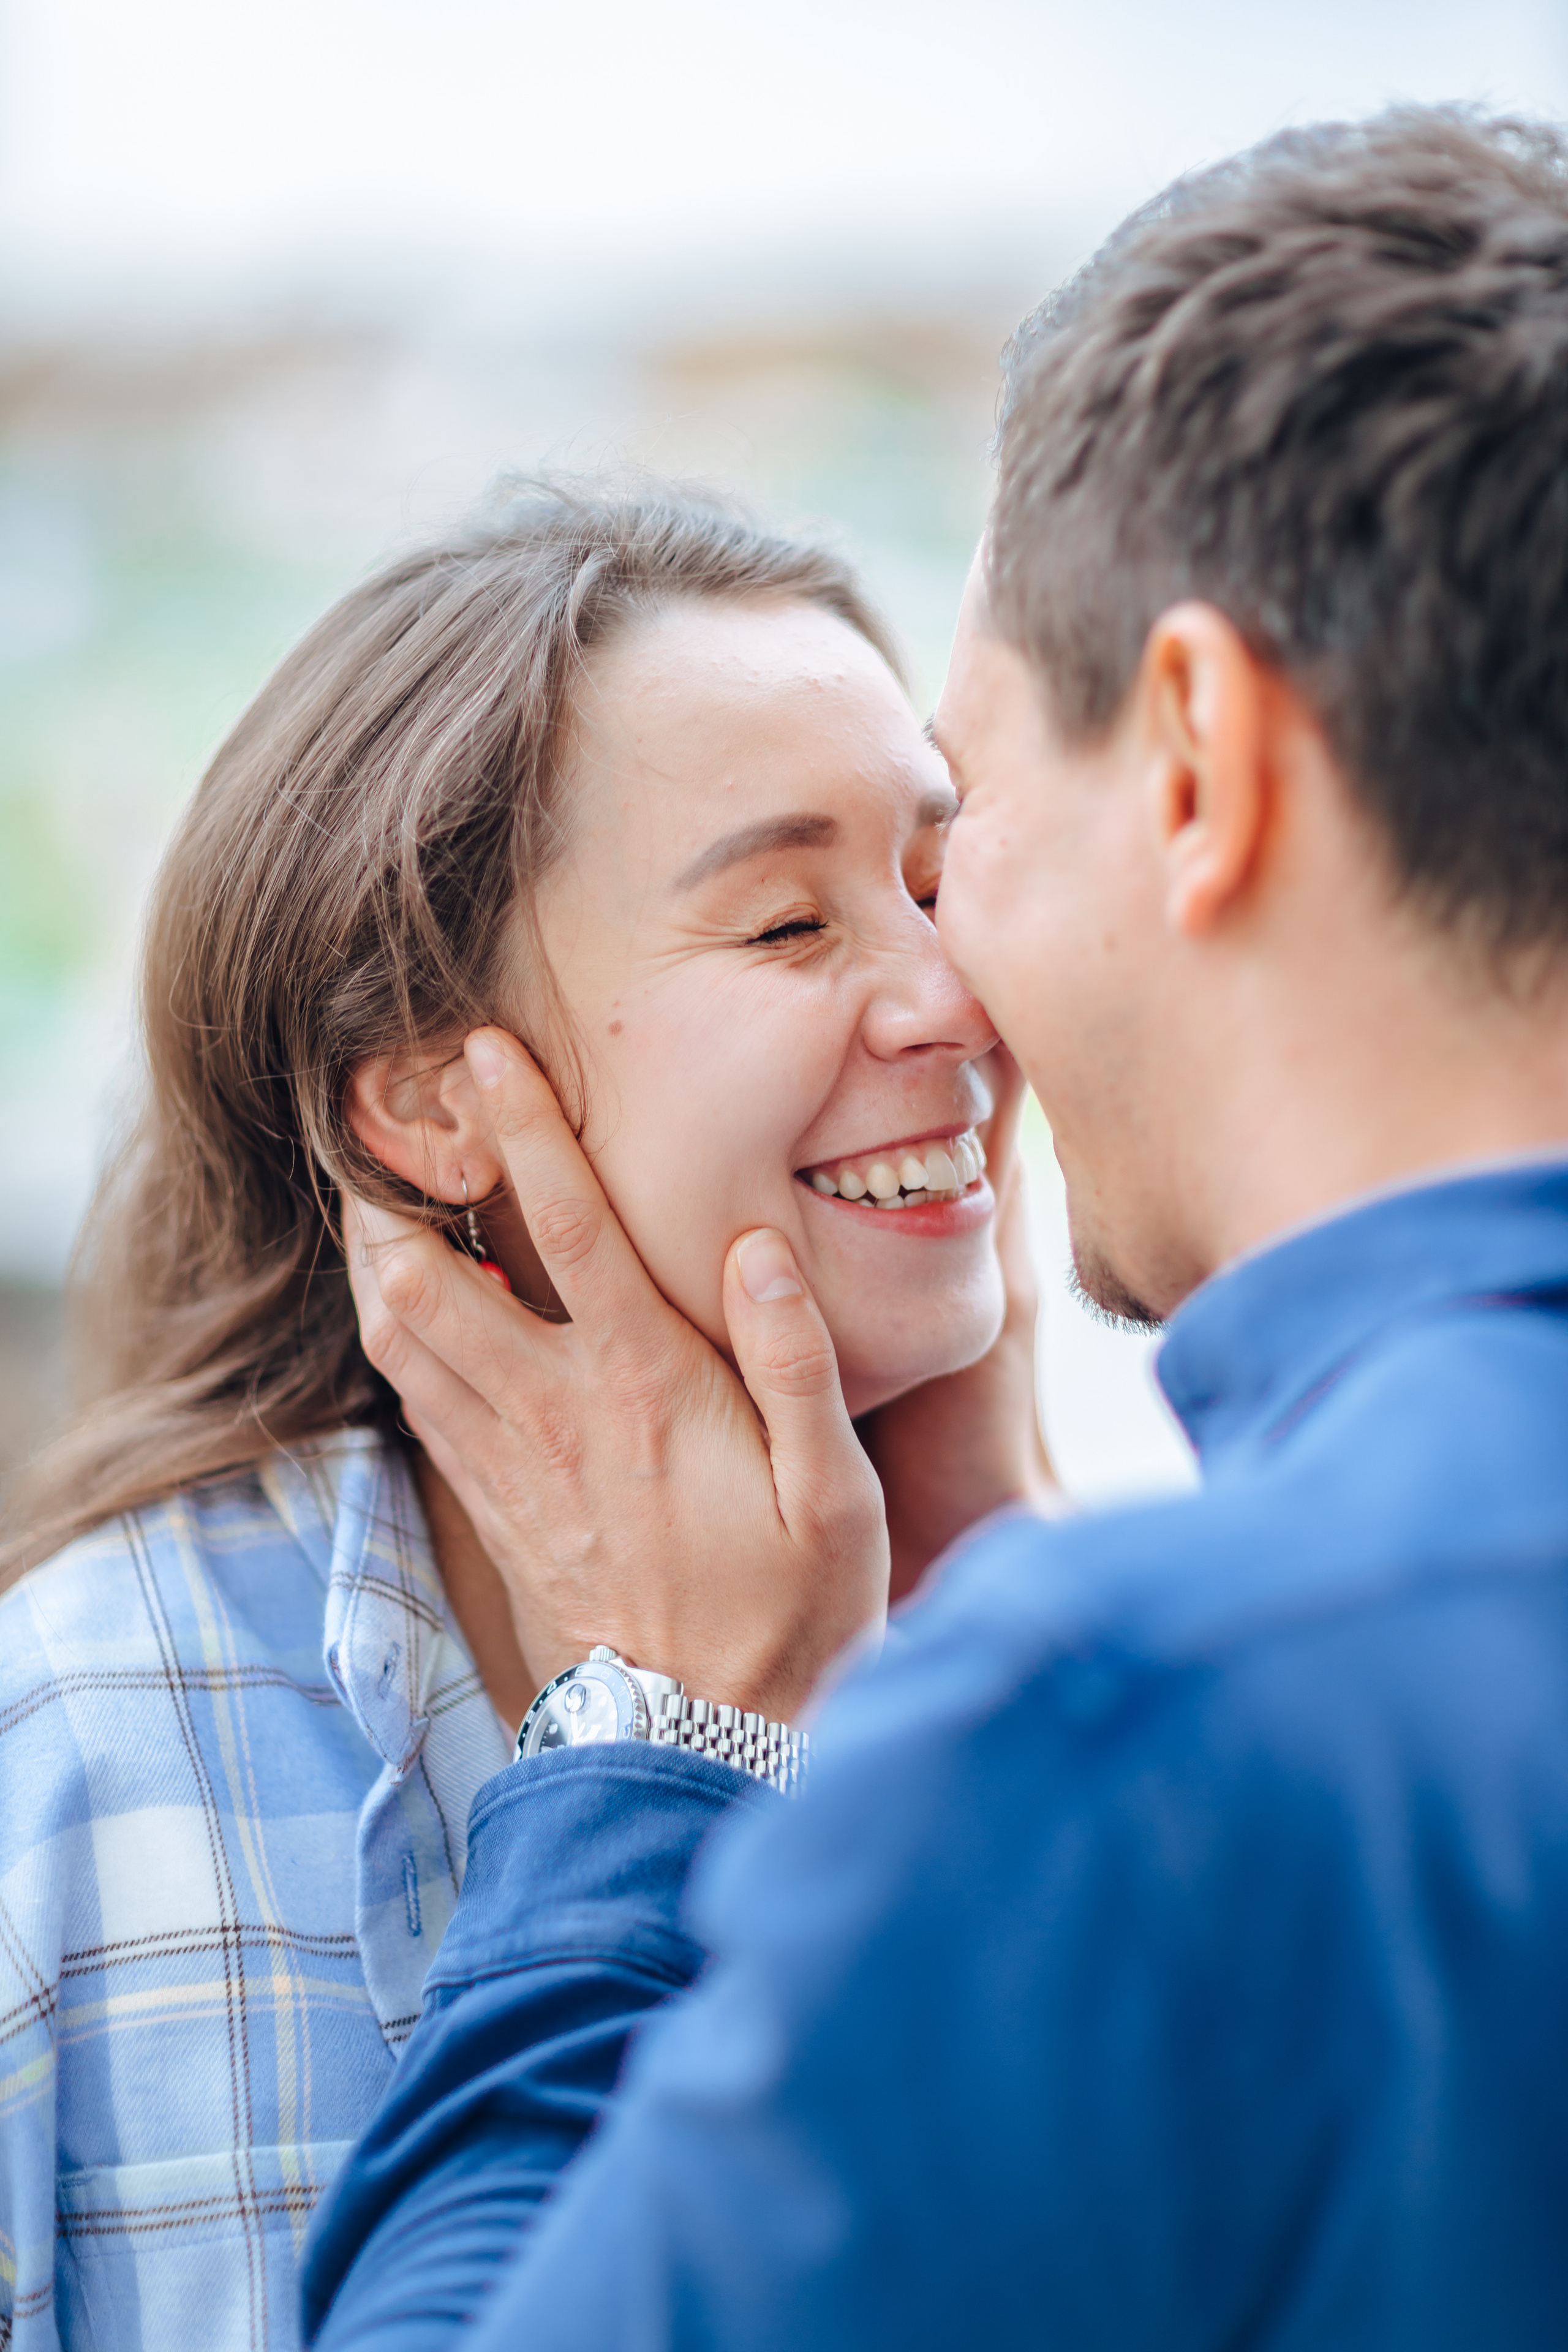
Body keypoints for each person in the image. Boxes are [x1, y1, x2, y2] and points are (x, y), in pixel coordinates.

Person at [302, 107, 1568, 2350]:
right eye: (795, 913)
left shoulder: (1145, 1722)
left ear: (1195, 755)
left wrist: (656, 1754)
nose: (948, 983)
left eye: (967, 812)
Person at [0, 484, 1051, 2352]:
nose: (958, 997)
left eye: (938, 885)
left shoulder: (1049, 1644)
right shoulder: (76, 1775)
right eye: (794, 923)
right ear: (430, 1108)